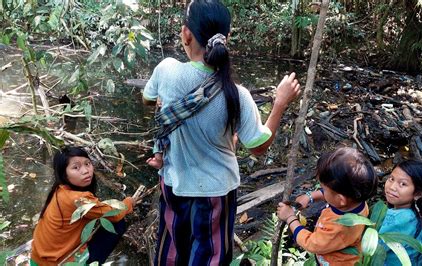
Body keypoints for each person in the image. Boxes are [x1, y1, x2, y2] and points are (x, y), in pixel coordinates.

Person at [142, 0, 300, 264]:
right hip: (215, 193)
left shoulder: (166, 70)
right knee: (209, 257)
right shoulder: (237, 94)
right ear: (226, 38)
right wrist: (280, 103)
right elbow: (259, 146)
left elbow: (148, 100)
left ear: (186, 33)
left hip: (173, 184)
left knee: (170, 251)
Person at [30, 147, 135, 266]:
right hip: (62, 262)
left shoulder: (59, 190)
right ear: (64, 173)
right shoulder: (78, 199)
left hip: (37, 259)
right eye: (76, 167)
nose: (86, 171)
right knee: (118, 223)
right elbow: (115, 215)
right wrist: (129, 202)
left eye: (87, 164)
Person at [276, 147, 378, 265]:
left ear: (341, 199)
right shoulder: (357, 200)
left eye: (323, 188)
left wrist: (290, 218)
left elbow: (312, 243)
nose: (322, 190)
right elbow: (332, 196)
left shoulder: (340, 227)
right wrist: (311, 196)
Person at [380, 160, 422, 266]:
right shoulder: (416, 215)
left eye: (402, 184)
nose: (392, 187)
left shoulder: (396, 219)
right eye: (391, 179)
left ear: (418, 193)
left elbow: (368, 248)